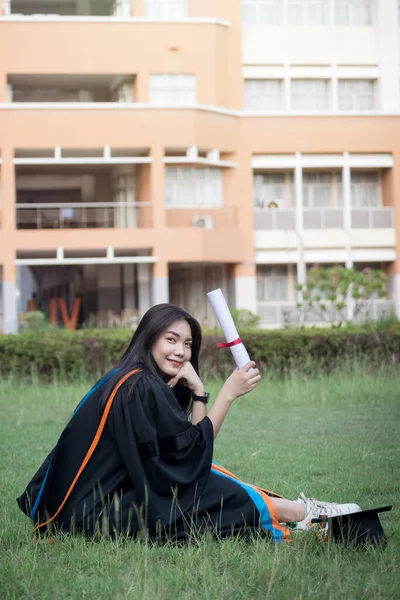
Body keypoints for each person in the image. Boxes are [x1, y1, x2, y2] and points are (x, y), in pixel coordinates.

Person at [17, 304, 361, 543]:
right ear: (148, 337)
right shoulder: (140, 387)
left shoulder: (129, 378)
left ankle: (301, 514)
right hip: (96, 515)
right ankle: (306, 514)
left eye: (187, 344)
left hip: (85, 508)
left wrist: (198, 392)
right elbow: (189, 463)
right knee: (208, 492)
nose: (181, 351)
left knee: (210, 478)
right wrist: (226, 394)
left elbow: (191, 450)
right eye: (171, 339)